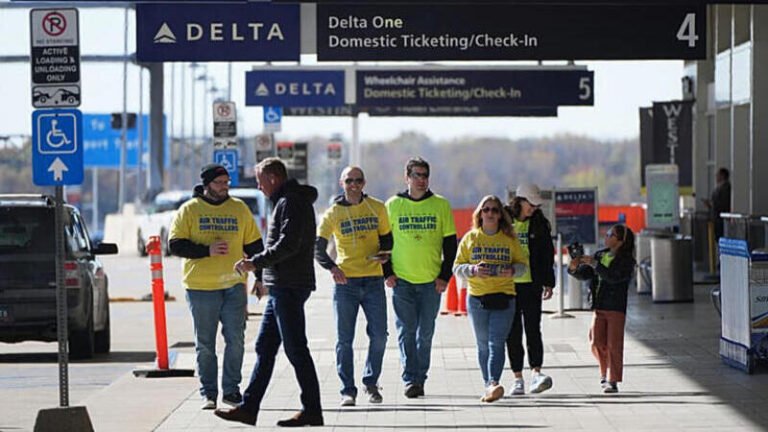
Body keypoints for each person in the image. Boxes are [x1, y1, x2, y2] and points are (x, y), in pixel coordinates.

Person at [214, 158, 323, 427]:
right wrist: (263, 276)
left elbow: (289, 244)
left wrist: (255, 262)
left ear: (273, 178)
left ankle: (312, 410)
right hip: (281, 285)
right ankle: (249, 408)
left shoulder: (291, 202)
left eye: (260, 180)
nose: (259, 186)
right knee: (265, 347)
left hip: (290, 286)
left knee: (296, 349)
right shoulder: (286, 201)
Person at [168, 163, 264, 410]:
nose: (224, 187)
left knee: (236, 339)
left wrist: (260, 278)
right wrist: (206, 251)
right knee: (206, 343)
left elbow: (255, 247)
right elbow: (175, 245)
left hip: (234, 285)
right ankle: (208, 392)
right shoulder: (189, 210)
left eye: (227, 183)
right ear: (207, 184)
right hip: (200, 286)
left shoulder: (239, 209)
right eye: (220, 183)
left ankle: (231, 391)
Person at [315, 166, 392, 406]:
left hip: (373, 279)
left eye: (358, 180)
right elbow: (317, 247)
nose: (354, 184)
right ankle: (347, 389)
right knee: (344, 339)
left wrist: (384, 255)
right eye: (349, 180)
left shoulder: (377, 207)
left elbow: (388, 239)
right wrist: (332, 268)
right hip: (346, 282)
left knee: (379, 335)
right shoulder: (333, 213)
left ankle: (371, 382)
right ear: (342, 183)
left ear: (364, 182)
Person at [385, 157, 457, 398]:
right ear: (407, 177)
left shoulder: (441, 205)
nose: (421, 179)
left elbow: (450, 245)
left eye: (425, 175)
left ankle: (420, 377)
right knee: (406, 331)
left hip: (430, 281)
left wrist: (444, 276)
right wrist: (388, 273)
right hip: (402, 281)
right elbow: (383, 242)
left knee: (424, 333)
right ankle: (410, 379)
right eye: (416, 175)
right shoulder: (393, 205)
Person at [453, 195, 527, 402]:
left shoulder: (509, 239)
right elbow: (456, 267)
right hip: (477, 298)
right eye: (486, 210)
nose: (491, 213)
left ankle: (494, 381)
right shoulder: (471, 238)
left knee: (496, 342)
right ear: (480, 213)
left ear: (500, 215)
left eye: (495, 210)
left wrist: (511, 270)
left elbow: (522, 266)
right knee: (483, 344)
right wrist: (474, 269)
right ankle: (488, 385)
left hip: (504, 297)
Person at [568, 224, 636, 394]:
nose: (606, 236)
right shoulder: (600, 255)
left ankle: (611, 379)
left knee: (614, 344)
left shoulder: (626, 261)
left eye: (610, 234)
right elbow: (586, 274)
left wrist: (595, 264)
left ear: (620, 241)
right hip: (599, 305)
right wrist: (574, 267)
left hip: (615, 306)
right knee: (596, 341)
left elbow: (614, 277)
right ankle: (604, 371)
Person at [504, 183, 556, 396]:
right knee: (512, 332)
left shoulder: (539, 223)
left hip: (531, 284)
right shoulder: (504, 220)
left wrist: (549, 282)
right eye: (530, 205)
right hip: (509, 286)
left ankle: (536, 372)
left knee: (533, 329)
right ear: (519, 201)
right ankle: (518, 377)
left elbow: (547, 254)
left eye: (536, 206)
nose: (533, 209)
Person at [702, 167, 731, 241]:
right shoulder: (719, 187)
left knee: (720, 239)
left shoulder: (726, 187)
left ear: (722, 176)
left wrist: (712, 204)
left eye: (717, 175)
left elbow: (723, 204)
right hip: (716, 219)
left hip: (720, 221)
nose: (716, 177)